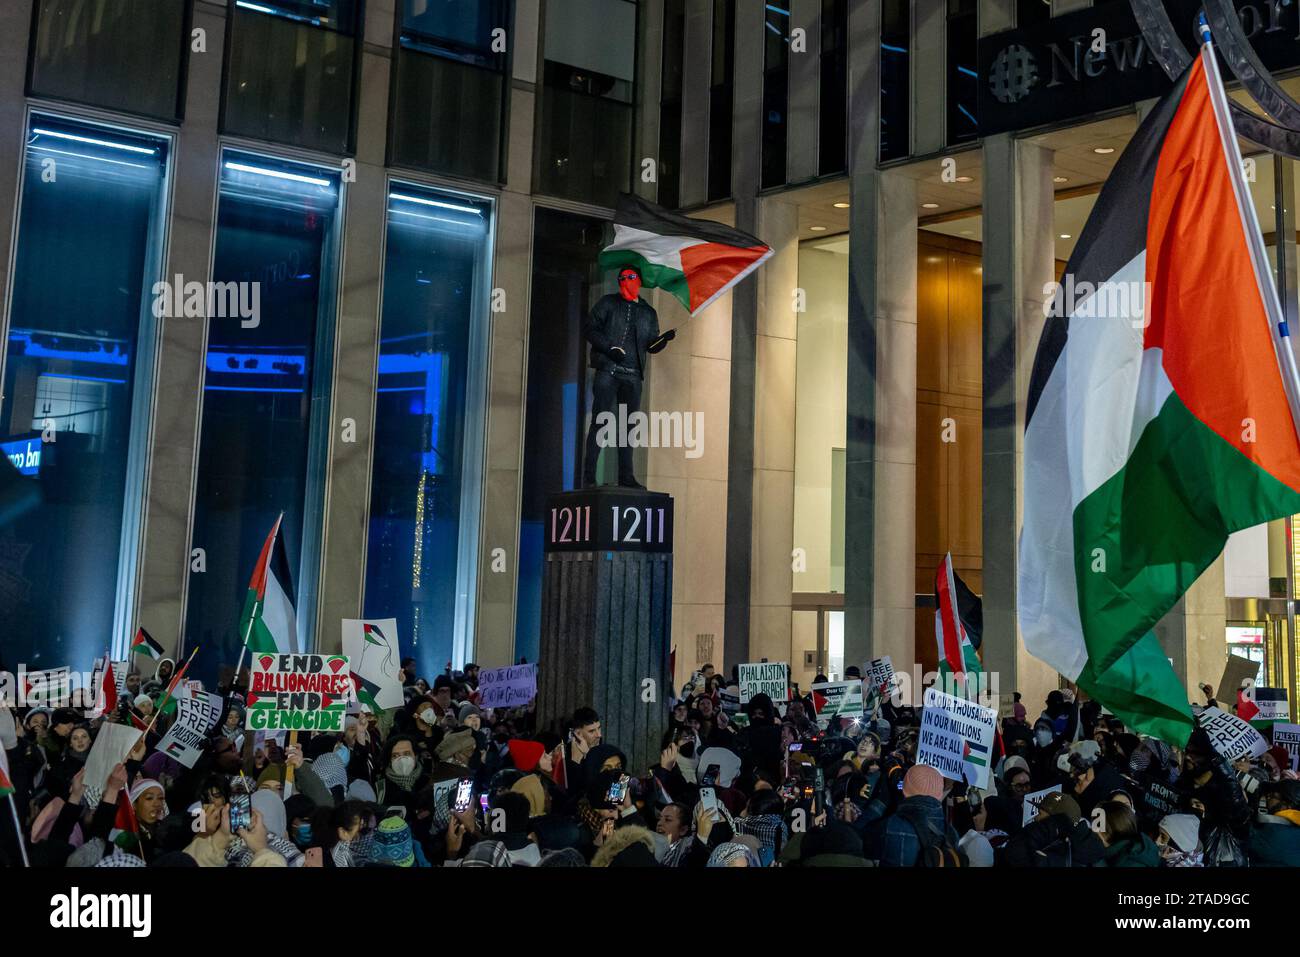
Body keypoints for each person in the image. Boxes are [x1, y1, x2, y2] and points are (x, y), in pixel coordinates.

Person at [580, 264, 669, 488]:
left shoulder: (648, 312)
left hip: (633, 375)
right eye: (622, 277)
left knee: (628, 426)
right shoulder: (608, 303)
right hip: (608, 371)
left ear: (638, 280)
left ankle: (626, 476)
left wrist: (663, 341)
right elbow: (590, 328)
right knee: (600, 422)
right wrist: (609, 348)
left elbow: (651, 344)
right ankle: (589, 476)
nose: (625, 280)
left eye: (630, 277)